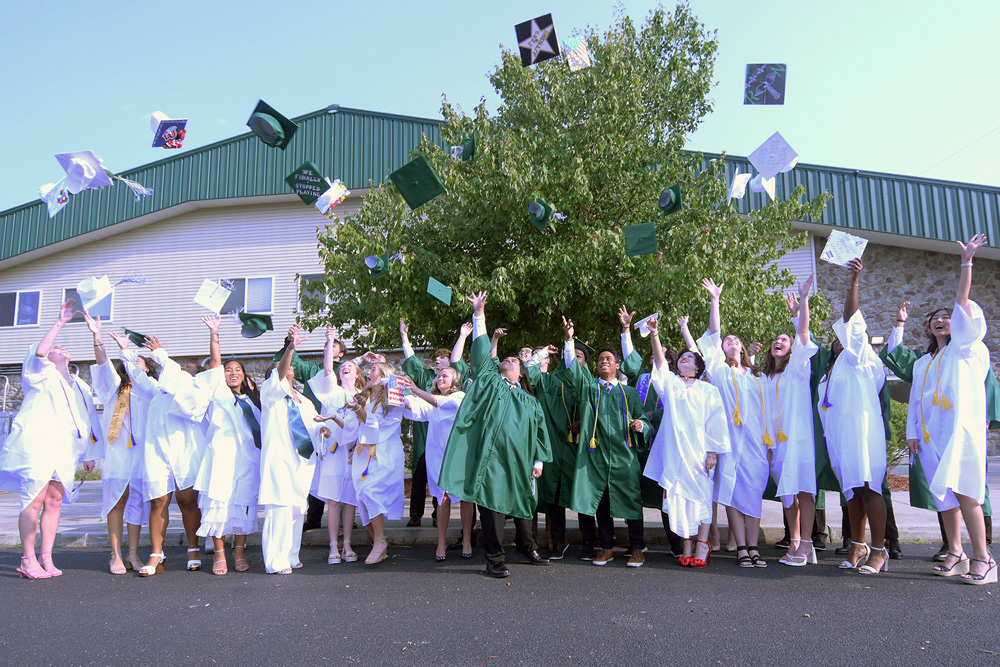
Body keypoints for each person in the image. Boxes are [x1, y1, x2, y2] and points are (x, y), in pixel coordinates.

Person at [438, 292, 552, 578]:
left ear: (522, 374)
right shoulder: (490, 383)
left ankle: (527, 546)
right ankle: (495, 558)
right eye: (508, 358)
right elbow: (479, 355)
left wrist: (538, 461)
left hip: (522, 462)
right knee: (492, 509)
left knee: (526, 506)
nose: (511, 359)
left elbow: (540, 434)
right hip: (492, 462)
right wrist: (479, 315)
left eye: (516, 360)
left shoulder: (531, 401)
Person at [906, 235, 995, 584]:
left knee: (966, 491)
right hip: (931, 435)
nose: (943, 320)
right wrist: (913, 432)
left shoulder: (966, 348)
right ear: (928, 327)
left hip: (960, 430)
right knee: (944, 496)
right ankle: (955, 552)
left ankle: (984, 559)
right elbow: (916, 400)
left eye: (948, 316)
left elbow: (961, 300)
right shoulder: (924, 362)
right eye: (935, 319)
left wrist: (966, 263)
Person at [0, 299, 101, 579]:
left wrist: (90, 452)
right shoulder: (38, 375)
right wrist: (60, 323)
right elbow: (42, 351)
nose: (59, 349)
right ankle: (27, 558)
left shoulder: (79, 384)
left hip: (65, 449)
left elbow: (86, 419)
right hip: (37, 445)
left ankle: (47, 556)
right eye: (55, 348)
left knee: (55, 499)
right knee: (33, 498)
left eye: (62, 347)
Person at [553, 315, 650, 567]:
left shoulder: (628, 393)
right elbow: (573, 370)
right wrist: (569, 339)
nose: (603, 361)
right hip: (596, 457)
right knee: (602, 503)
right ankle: (606, 548)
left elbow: (642, 418)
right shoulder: (589, 389)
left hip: (623, 457)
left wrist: (642, 425)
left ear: (617, 365)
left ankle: (637, 548)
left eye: (608, 359)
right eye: (600, 359)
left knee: (630, 502)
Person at [817, 259, 889, 574]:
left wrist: (854, 282)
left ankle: (879, 550)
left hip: (862, 432)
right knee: (853, 491)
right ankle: (858, 545)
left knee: (869, 488)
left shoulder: (861, 357)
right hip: (842, 436)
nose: (841, 335)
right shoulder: (835, 367)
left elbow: (850, 317)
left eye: (847, 332)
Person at [642, 316, 730, 568]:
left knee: (701, 496)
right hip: (674, 452)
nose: (684, 359)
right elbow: (660, 362)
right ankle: (687, 543)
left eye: (689, 358)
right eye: (681, 357)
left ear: (698, 367)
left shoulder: (707, 390)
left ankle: (703, 544)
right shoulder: (671, 384)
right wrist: (655, 334)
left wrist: (713, 453)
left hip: (700, 452)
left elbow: (716, 423)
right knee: (678, 498)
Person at [694, 279, 770, 568]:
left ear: (743, 348)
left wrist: (770, 444)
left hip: (755, 443)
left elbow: (768, 413)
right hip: (729, 441)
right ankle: (741, 548)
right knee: (732, 493)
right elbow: (714, 333)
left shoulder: (756, 378)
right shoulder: (719, 372)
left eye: (735, 340)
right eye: (727, 341)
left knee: (752, 492)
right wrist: (715, 300)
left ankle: (753, 547)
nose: (731, 342)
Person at [138, 322, 217, 576]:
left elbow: (178, 378)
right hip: (157, 449)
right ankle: (155, 553)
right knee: (158, 500)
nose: (183, 368)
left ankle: (193, 547)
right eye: (181, 366)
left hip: (186, 448)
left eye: (188, 368)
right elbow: (136, 374)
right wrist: (123, 349)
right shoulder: (159, 391)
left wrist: (161, 354)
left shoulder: (194, 390)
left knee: (187, 500)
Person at [85, 313, 155, 575]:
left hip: (141, 455)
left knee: (137, 501)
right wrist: (97, 336)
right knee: (116, 500)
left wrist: (128, 352)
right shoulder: (113, 387)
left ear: (146, 368)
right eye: (127, 360)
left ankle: (133, 554)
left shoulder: (150, 389)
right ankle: (115, 555)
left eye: (138, 361)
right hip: (117, 453)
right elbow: (102, 363)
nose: (131, 363)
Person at [194, 316, 262, 575]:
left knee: (243, 504)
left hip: (247, 461)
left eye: (238, 370)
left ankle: (239, 552)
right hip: (221, 459)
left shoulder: (252, 401)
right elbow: (214, 363)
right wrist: (215, 333)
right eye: (228, 369)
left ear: (244, 376)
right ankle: (219, 554)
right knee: (218, 504)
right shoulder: (218, 394)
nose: (233, 373)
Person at [259, 324, 329, 574]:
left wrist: (323, 430)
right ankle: (275, 561)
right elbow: (279, 372)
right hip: (280, 459)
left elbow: (313, 426)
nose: (287, 367)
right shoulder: (270, 393)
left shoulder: (305, 400)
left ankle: (291, 554)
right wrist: (290, 347)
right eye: (281, 365)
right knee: (280, 508)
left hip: (304, 461)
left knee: (299, 508)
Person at [762, 276, 819, 567]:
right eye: (776, 340)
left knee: (803, 489)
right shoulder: (765, 378)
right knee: (787, 495)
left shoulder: (797, 368)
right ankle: (794, 540)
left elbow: (805, 335)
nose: (779, 342)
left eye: (785, 339)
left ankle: (807, 543)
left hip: (797, 439)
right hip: (774, 444)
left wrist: (803, 303)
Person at [271, 333, 346, 533]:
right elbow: (291, 363)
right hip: (314, 424)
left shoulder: (346, 370)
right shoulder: (314, 369)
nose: (328, 349)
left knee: (338, 472)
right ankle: (313, 518)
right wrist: (290, 343)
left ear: (342, 353)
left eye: (334, 346)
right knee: (315, 472)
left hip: (337, 427)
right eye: (327, 346)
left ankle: (344, 521)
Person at [401, 366, 468, 560]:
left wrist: (415, 390)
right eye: (438, 376)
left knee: (464, 497)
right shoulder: (429, 400)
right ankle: (441, 543)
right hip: (436, 454)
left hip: (457, 454)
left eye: (444, 376)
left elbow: (441, 403)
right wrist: (396, 393)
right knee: (442, 497)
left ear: (455, 381)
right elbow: (413, 405)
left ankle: (468, 542)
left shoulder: (459, 397)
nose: (440, 378)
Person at [310, 327, 364, 565]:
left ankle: (348, 544)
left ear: (357, 373)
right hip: (332, 452)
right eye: (343, 366)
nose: (345, 368)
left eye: (350, 367)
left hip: (354, 452)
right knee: (333, 500)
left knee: (350, 499)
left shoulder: (363, 395)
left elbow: (366, 425)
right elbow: (329, 367)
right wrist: (330, 340)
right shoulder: (332, 390)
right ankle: (333, 546)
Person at [524, 343, 579, 560]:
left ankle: (556, 540)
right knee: (533, 493)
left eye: (543, 356)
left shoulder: (558, 381)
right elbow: (528, 370)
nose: (539, 359)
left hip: (558, 444)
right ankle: (530, 541)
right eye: (537, 356)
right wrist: (542, 353)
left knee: (555, 493)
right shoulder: (529, 382)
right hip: (532, 443)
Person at [351, 360, 405, 565]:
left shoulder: (392, 399)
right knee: (361, 496)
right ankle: (378, 542)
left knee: (370, 491)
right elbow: (355, 426)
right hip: (362, 453)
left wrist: (358, 409)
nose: (367, 371)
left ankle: (380, 541)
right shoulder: (364, 397)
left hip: (385, 452)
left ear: (383, 376)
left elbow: (375, 425)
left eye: (372, 369)